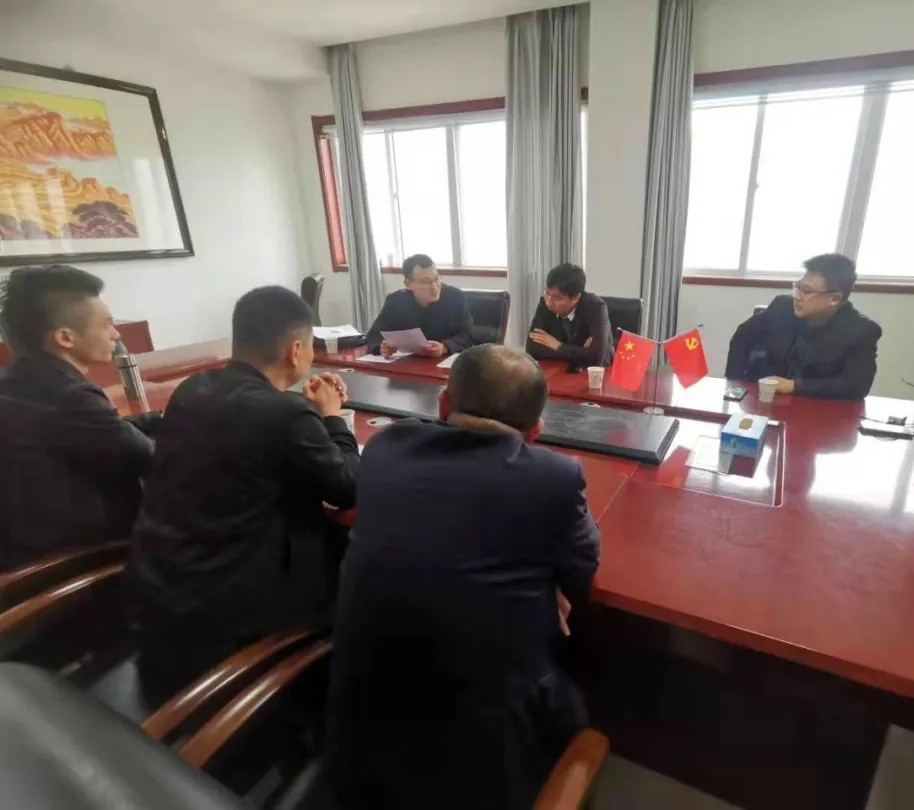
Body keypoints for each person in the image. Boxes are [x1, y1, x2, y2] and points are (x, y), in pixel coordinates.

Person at [327, 344, 601, 810]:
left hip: (357, 747)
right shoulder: (554, 476)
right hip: (481, 772)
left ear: (443, 404)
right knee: (577, 703)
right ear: (535, 431)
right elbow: (582, 564)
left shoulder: (385, 447)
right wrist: (542, 581)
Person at [126, 286, 359, 702]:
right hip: (233, 618)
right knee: (354, 549)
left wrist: (306, 413)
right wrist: (332, 418)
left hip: (164, 597)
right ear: (296, 350)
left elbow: (249, 435)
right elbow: (347, 487)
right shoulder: (285, 414)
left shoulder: (192, 389)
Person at [0, 265, 161, 572]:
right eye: (107, 324)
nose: (116, 334)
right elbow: (154, 459)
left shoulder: (17, 380)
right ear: (65, 337)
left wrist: (156, 419)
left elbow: (104, 431)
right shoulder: (70, 396)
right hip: (73, 564)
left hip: (21, 550)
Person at [725, 254, 882, 400]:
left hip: (818, 409)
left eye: (806, 291)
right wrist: (735, 384)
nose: (797, 296)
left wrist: (793, 386)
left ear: (834, 299)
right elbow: (742, 338)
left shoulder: (861, 331)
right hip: (770, 401)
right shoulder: (781, 308)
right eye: (798, 287)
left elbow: (855, 386)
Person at [366, 254, 475, 358]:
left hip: (443, 362)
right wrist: (383, 347)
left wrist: (445, 347)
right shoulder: (396, 301)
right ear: (408, 284)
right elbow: (374, 334)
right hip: (408, 363)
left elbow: (468, 335)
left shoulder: (455, 297)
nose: (434, 287)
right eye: (426, 282)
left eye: (436, 279)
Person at [526, 263, 615, 367]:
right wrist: (580, 350)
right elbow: (531, 348)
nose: (549, 302)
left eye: (557, 298)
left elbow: (596, 358)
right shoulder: (545, 304)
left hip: (597, 372)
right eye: (547, 293)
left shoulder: (596, 307)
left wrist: (559, 346)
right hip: (560, 368)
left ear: (575, 298)